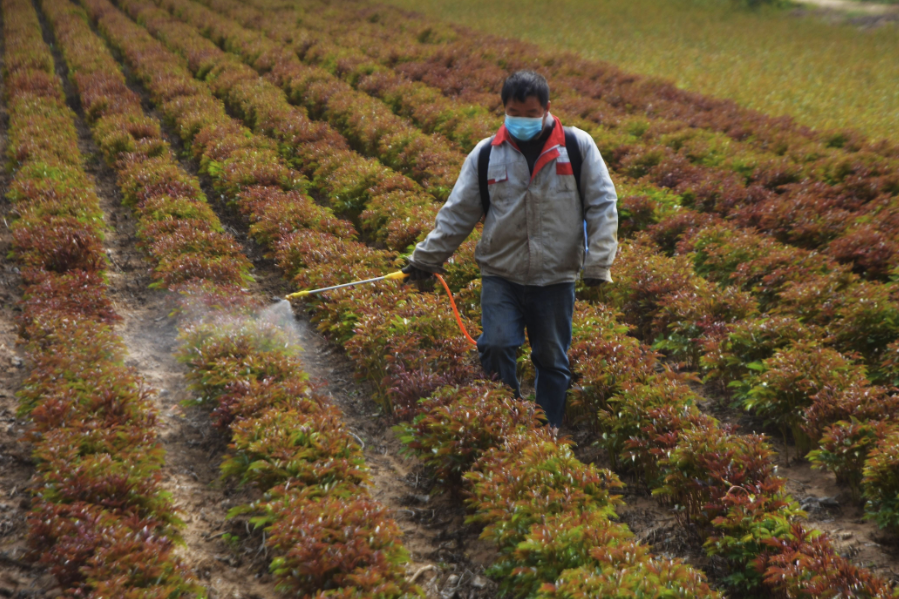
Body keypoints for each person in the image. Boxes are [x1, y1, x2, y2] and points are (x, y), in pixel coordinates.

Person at [403, 70, 618, 429]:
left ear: (547, 109)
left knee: (552, 359)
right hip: (501, 274)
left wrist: (598, 264)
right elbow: (458, 212)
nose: (522, 121)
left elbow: (603, 204)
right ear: (504, 109)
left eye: (531, 114)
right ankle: (506, 419)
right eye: (514, 113)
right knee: (498, 346)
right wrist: (425, 259)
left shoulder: (578, 147)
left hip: (555, 277)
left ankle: (546, 429)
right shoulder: (487, 154)